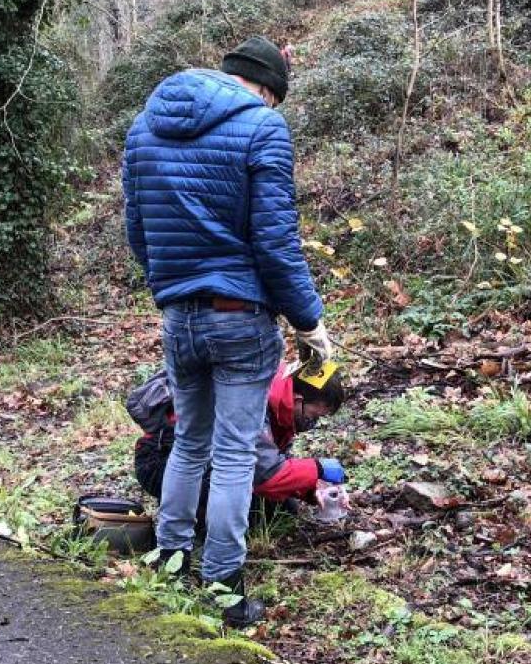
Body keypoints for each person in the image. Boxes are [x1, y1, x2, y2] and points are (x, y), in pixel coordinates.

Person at [122, 36, 333, 627]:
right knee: (236, 452)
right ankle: (222, 584)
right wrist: (308, 321)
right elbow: (275, 243)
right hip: (241, 319)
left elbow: (138, 234)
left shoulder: (144, 129)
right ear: (267, 89)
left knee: (190, 440)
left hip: (178, 316)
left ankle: (170, 557)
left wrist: (176, 286)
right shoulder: (262, 128)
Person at [127, 363, 347, 516]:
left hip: (199, 461)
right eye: (313, 416)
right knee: (251, 514)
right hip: (161, 461)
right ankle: (189, 522)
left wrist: (313, 489)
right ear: (297, 399)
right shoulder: (254, 401)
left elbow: (271, 460)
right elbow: (264, 474)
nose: (312, 424)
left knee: (282, 508)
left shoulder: (277, 402)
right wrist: (317, 469)